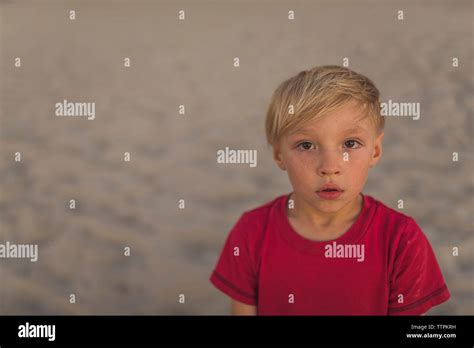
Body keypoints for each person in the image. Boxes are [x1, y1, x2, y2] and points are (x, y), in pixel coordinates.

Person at [209, 65, 450, 315]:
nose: (330, 167)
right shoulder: (251, 233)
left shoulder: (401, 240)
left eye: (350, 143)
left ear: (375, 150)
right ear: (279, 155)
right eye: (306, 145)